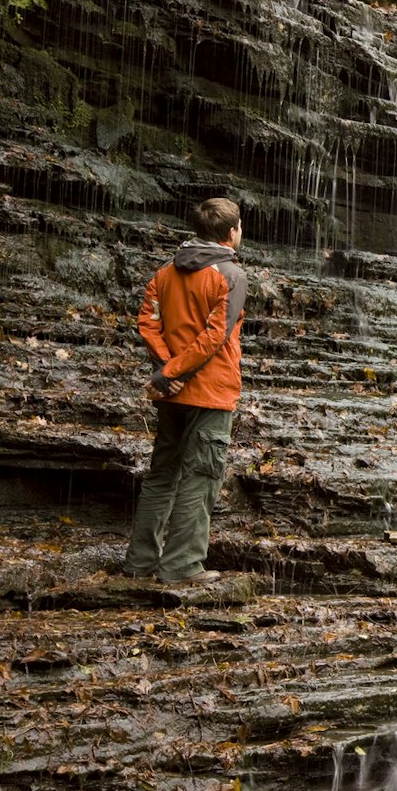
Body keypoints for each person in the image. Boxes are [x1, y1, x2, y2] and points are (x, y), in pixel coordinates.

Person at [120, 198, 248, 584]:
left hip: (171, 394)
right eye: (240, 226)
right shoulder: (232, 276)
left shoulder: (164, 273)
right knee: (201, 476)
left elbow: (147, 323)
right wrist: (173, 370)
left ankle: (140, 562)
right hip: (211, 393)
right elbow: (215, 336)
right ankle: (181, 566)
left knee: (162, 475)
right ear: (231, 233)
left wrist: (164, 370)